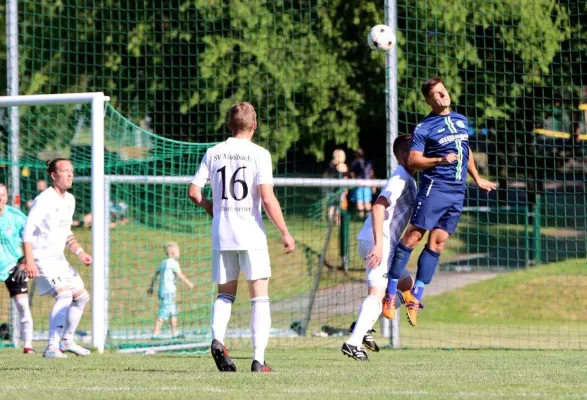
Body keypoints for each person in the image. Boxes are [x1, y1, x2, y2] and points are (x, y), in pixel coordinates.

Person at [188, 102, 295, 373]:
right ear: (254, 125)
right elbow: (268, 199)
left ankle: (218, 340)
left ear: (229, 126)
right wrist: (284, 231)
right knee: (259, 297)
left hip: (222, 234)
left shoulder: (214, 152)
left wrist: (210, 207)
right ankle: (259, 360)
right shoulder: (260, 154)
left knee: (224, 294)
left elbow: (193, 191)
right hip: (251, 234)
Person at [383, 77, 496, 326]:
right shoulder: (425, 127)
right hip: (436, 188)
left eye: (443, 91)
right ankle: (390, 293)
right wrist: (439, 161)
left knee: (439, 242)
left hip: (458, 191)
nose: (442, 96)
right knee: (413, 236)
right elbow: (413, 160)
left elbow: (465, 152)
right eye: (436, 94)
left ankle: (415, 296)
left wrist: (477, 178)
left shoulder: (461, 120)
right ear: (428, 100)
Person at [341, 136, 417, 361]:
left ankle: (362, 326)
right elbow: (377, 208)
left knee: (406, 284)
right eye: (417, 151)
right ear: (405, 155)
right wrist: (379, 245)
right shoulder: (400, 177)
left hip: (384, 244)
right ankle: (353, 343)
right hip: (378, 242)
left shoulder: (409, 179)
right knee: (376, 294)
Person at [22, 158, 93, 358]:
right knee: (64, 294)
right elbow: (27, 230)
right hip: (42, 258)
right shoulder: (44, 199)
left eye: (72, 170)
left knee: (82, 297)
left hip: (59, 259)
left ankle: (67, 340)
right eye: (65, 171)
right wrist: (29, 261)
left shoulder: (69, 200)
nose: (70, 175)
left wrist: (81, 253)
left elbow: (66, 232)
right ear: (54, 175)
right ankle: (52, 347)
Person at [0, 184, 34, 354]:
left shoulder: (16, 216)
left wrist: (26, 261)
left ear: (6, 197)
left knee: (23, 306)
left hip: (13, 266)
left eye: (3, 195)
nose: (0, 198)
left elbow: (32, 236)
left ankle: (28, 346)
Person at [147, 242, 194, 338]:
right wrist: (188, 283)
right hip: (168, 292)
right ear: (173, 253)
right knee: (163, 312)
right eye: (178, 252)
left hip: (162, 291)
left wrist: (151, 287)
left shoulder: (163, 263)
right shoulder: (174, 263)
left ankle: (174, 332)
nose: (179, 254)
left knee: (173, 312)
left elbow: (155, 275)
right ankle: (155, 334)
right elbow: (180, 275)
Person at [349, 148, 376, 219]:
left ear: (356, 154)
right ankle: (368, 219)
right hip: (367, 184)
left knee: (359, 202)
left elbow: (352, 174)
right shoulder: (368, 163)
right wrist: (373, 185)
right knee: (367, 202)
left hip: (358, 185)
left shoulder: (354, 163)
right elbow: (372, 174)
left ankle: (361, 219)